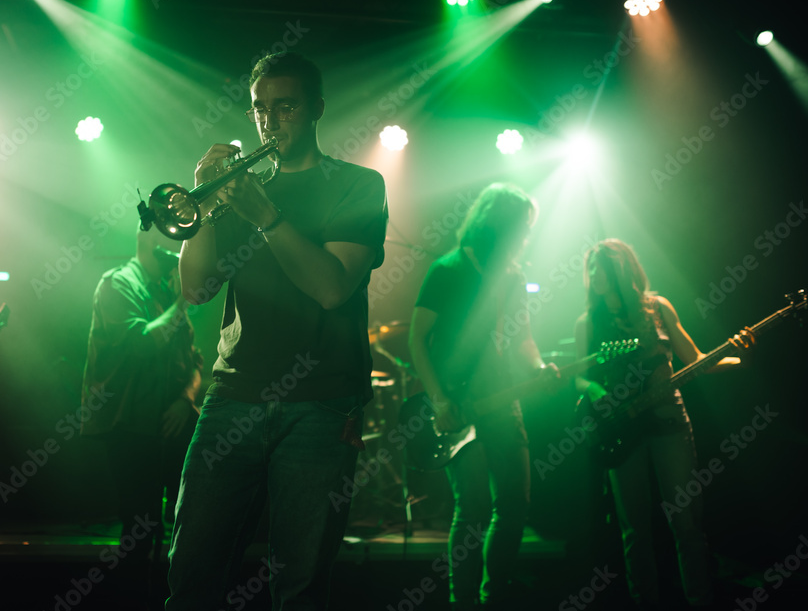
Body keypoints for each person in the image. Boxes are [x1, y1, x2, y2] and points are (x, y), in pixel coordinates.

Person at [165, 51, 388, 610]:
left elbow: (332, 287)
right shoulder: (240, 192)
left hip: (321, 404)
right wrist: (203, 203)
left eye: (284, 107)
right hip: (232, 395)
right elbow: (195, 290)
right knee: (191, 570)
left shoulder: (359, 184)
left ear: (316, 108)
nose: (269, 121)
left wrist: (267, 216)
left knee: (300, 585)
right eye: (260, 109)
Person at [573, 238, 750, 610]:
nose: (593, 274)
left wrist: (734, 353)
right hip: (621, 429)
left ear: (621, 269)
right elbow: (580, 376)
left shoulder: (658, 308)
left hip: (670, 423)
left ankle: (699, 601)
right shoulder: (588, 322)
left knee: (686, 524)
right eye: (589, 267)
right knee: (634, 529)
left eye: (600, 266)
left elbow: (696, 359)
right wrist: (594, 389)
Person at [409, 183, 558, 610]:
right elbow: (417, 340)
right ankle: (463, 601)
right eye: (523, 226)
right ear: (501, 224)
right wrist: (438, 400)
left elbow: (523, 340)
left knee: (514, 505)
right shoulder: (448, 269)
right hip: (457, 404)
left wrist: (539, 368)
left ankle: (495, 597)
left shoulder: (513, 276)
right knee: (471, 509)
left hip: (503, 401)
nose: (527, 235)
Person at [80, 228, 201, 609]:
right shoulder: (118, 284)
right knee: (141, 528)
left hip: (173, 422)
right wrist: (183, 300)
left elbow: (194, 361)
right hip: (130, 427)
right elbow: (141, 344)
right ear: (147, 235)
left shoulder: (165, 289)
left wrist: (186, 398)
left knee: (186, 525)